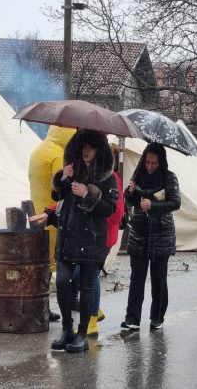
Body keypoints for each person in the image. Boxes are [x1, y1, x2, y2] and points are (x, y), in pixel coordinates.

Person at [31, 129, 118, 353]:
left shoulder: (106, 177)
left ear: (99, 150)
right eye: (83, 147)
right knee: (62, 283)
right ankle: (66, 329)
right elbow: (60, 201)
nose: (86, 151)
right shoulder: (73, 171)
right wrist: (64, 178)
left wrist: (88, 194)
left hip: (91, 240)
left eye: (91, 147)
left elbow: (110, 209)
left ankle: (81, 333)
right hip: (68, 238)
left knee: (86, 287)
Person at [121, 143, 181, 331]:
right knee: (136, 278)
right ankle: (132, 318)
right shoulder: (138, 175)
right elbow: (129, 201)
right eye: (147, 162)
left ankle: (157, 317)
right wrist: (129, 192)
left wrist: (153, 205)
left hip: (161, 233)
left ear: (160, 162)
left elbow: (175, 202)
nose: (150, 166)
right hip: (139, 232)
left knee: (159, 279)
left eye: (154, 163)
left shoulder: (169, 177)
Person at [70, 143, 125, 337]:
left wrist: (95, 212)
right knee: (78, 276)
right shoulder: (86, 174)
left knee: (90, 277)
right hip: (88, 236)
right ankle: (95, 310)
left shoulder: (112, 179)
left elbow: (116, 212)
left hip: (103, 236)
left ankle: (92, 319)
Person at [28, 125, 76, 322]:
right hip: (53, 216)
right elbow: (63, 190)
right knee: (52, 265)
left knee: (41, 263)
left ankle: (41, 306)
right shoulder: (59, 155)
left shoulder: (39, 150)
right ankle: (45, 307)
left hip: (36, 213)